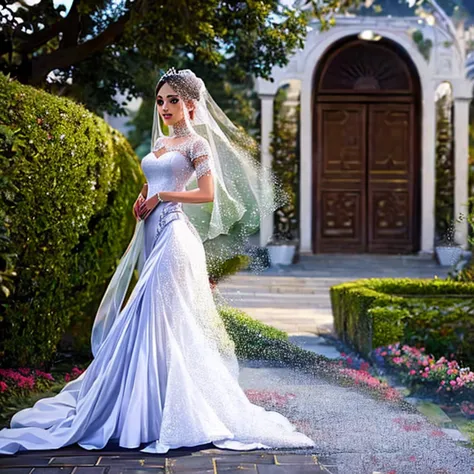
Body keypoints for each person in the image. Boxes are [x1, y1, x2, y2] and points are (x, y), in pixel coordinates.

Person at [0, 68, 315, 455]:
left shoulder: (197, 145)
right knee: (151, 315)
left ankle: (161, 411)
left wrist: (163, 198)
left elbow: (206, 194)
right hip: (150, 230)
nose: (165, 107)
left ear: (190, 104)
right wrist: (143, 195)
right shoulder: (161, 141)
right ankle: (141, 403)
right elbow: (154, 181)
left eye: (173, 100)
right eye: (161, 100)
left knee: (158, 315)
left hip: (174, 237)